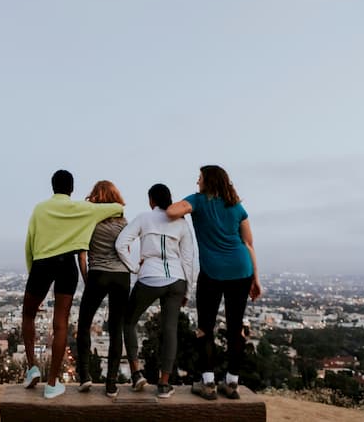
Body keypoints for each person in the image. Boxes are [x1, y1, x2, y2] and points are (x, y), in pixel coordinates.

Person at [22, 170, 124, 399]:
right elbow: (117, 208)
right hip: (67, 266)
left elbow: (29, 244)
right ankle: (52, 383)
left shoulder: (40, 209)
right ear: (72, 189)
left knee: (28, 314)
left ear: (53, 187)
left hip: (41, 264)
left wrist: (34, 276)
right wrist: (95, 206)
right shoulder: (81, 209)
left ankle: (33, 368)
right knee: (60, 324)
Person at [166, 165, 262, 400]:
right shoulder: (236, 207)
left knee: (205, 328)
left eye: (199, 178)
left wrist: (192, 202)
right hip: (242, 270)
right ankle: (232, 383)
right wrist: (256, 278)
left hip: (213, 272)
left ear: (208, 181)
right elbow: (249, 244)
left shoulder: (197, 201)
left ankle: (208, 383)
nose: (197, 182)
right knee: (235, 326)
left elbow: (171, 212)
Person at [116, 183, 195, 399]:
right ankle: (163, 384)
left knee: (129, 321)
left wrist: (134, 267)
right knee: (170, 330)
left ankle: (136, 373)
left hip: (150, 276)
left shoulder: (144, 218)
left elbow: (120, 244)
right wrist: (188, 290)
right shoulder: (181, 223)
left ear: (152, 200)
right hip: (177, 279)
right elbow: (188, 258)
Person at [75, 180, 132, 398]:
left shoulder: (90, 223)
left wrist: (87, 278)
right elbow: (125, 251)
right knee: (116, 328)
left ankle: (85, 376)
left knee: (84, 324)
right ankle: (111, 384)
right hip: (122, 276)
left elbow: (82, 255)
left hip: (98, 273)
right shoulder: (124, 223)